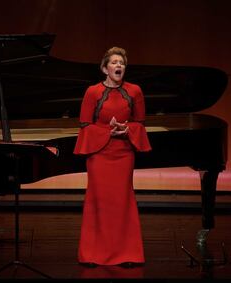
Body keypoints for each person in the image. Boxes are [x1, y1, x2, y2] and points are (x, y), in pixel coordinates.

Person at [73, 47, 152, 266]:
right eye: (114, 62)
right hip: (100, 154)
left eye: (122, 63)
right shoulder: (92, 92)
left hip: (123, 153)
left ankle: (128, 254)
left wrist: (127, 130)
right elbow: (84, 125)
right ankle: (93, 254)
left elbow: (140, 123)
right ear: (104, 68)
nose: (119, 66)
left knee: (122, 201)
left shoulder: (135, 91)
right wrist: (108, 131)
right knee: (99, 202)